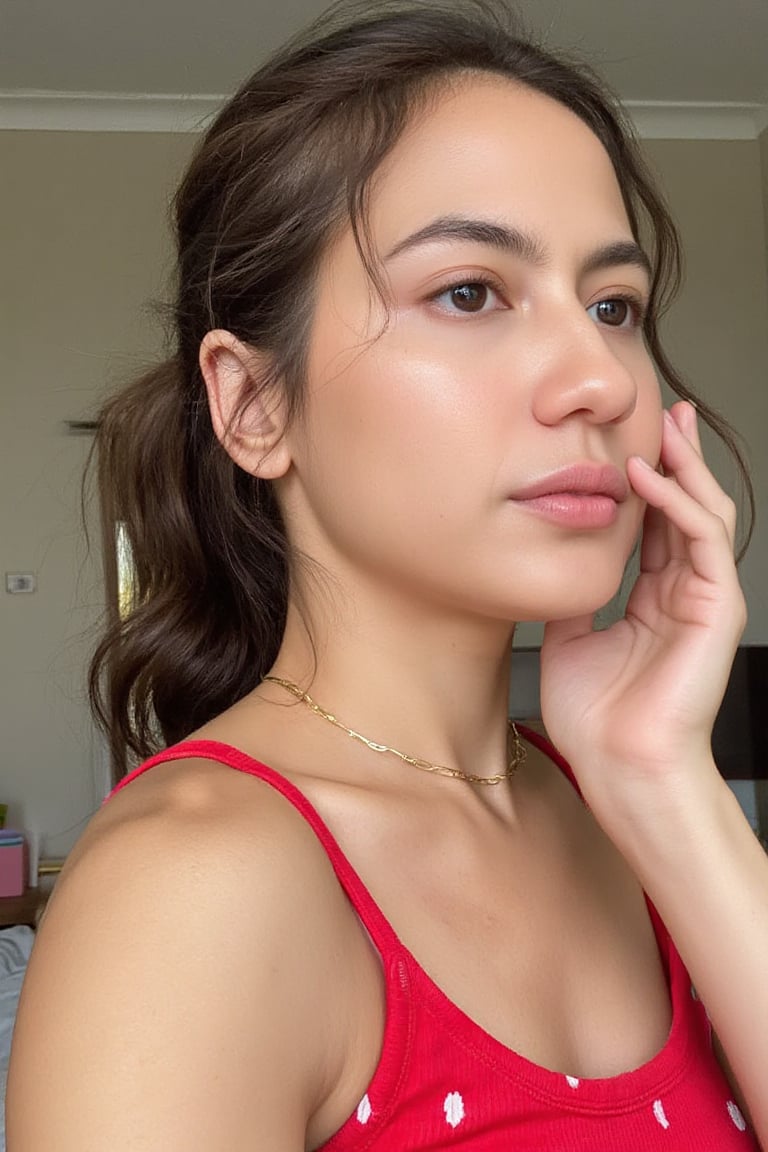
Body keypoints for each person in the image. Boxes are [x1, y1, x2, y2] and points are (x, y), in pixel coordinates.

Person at [6, 2, 766, 1148]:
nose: (602, 382)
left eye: (614, 306)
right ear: (255, 406)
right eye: (469, 293)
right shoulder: (193, 887)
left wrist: (663, 777)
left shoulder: (628, 814)